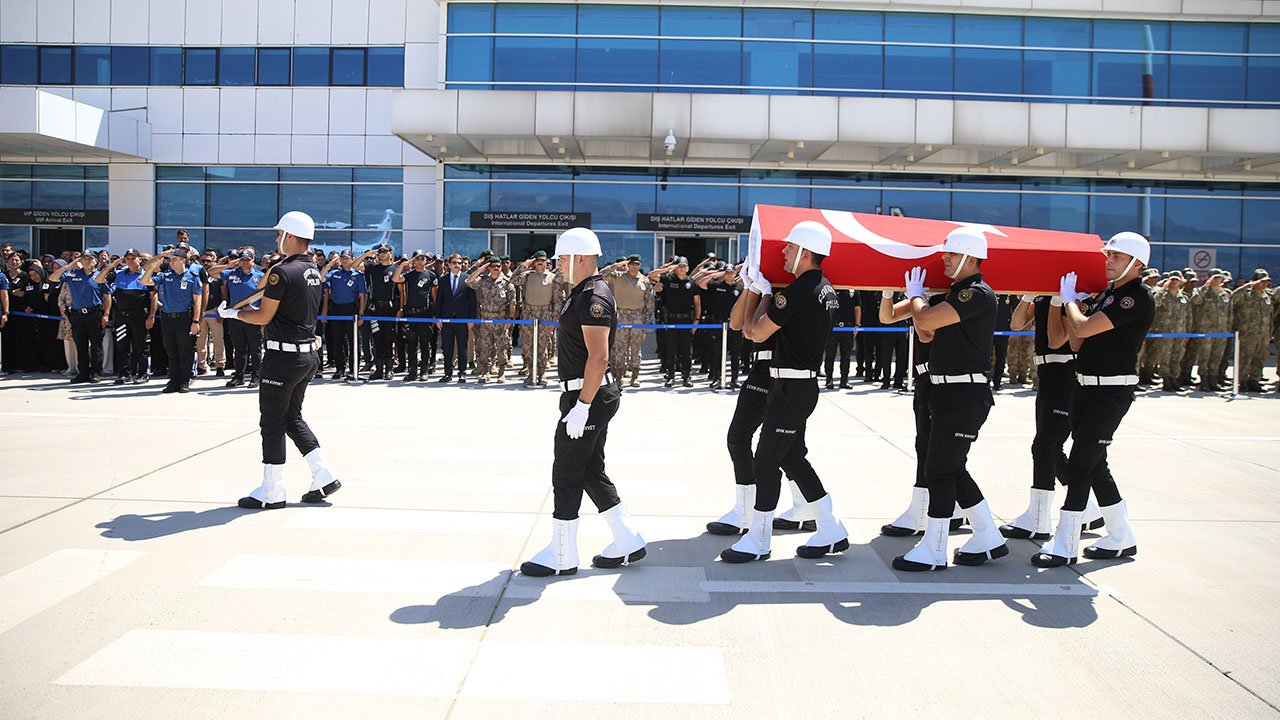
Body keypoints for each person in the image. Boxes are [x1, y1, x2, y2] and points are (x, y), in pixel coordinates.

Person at [721, 221, 850, 563]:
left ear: (805, 253)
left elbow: (755, 332)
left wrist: (763, 294)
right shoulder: (825, 289)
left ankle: (759, 538)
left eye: (790, 248)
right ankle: (831, 527)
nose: (784, 251)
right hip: (796, 385)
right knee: (792, 458)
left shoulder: (798, 291)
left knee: (766, 460)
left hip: (792, 387)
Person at [521, 228, 646, 577]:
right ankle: (627, 539)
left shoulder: (594, 296)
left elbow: (599, 357)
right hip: (585, 393)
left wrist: (582, 406)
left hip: (587, 394)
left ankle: (562, 554)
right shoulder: (582, 292)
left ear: (581, 259)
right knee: (590, 469)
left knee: (566, 471)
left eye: (563, 258)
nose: (558, 264)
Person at [892, 227, 1009, 572]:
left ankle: (934, 548)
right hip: (949, 393)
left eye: (952, 254)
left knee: (939, 471)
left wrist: (917, 296)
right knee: (952, 467)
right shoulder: (956, 295)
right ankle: (988, 535)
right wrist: (918, 299)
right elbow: (926, 330)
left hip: (963, 394)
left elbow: (926, 318)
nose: (944, 258)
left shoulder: (977, 293)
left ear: (971, 259)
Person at [1033, 231, 1153, 567]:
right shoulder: (1107, 297)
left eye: (1116, 256)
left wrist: (1070, 302)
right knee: (1096, 464)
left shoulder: (1135, 297)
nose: (1108, 261)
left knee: (1081, 462)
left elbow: (1083, 329)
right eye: (1108, 255)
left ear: (1137, 263)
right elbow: (1075, 341)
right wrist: (1072, 307)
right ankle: (1121, 536)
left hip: (1111, 391)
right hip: (1085, 387)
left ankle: (1066, 542)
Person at [219, 212, 343, 510]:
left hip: (283, 356)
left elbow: (263, 316)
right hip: (306, 355)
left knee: (272, 423)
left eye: (280, 234)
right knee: (291, 419)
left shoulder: (282, 272)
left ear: (290, 236)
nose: (277, 239)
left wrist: (234, 314)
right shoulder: (312, 270)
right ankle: (323, 475)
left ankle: (272, 490)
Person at [999, 293, 1102, 540]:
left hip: (1065, 371)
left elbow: (1058, 340)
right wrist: (1028, 296)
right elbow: (1016, 324)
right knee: (1050, 448)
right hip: (1048, 373)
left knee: (1045, 446)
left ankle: (1039, 519)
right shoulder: (1045, 295)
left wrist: (1060, 300)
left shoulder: (1074, 295)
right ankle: (1086, 508)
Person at [141, 246, 203, 393]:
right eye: (170, 260)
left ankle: (184, 381)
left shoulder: (192, 277)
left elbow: (197, 300)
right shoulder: (165, 276)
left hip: (184, 318)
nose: (171, 262)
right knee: (171, 351)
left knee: (184, 351)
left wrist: (196, 321)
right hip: (167, 318)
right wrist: (152, 267)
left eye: (174, 259)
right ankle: (173, 381)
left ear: (183, 260)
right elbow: (145, 281)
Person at [48, 253, 109, 384]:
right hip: (77, 314)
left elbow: (107, 295)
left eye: (90, 259)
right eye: (84, 258)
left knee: (96, 345)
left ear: (95, 261)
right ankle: (83, 373)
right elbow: (53, 278)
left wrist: (106, 314)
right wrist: (69, 266)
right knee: (81, 345)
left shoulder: (99, 275)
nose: (87, 261)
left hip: (94, 313)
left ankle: (95, 372)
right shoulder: (73, 274)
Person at [95, 249, 151, 385]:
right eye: (128, 258)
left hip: (139, 316)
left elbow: (153, 296)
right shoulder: (119, 274)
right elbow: (98, 279)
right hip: (121, 317)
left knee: (141, 346)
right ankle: (125, 374)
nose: (130, 261)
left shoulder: (145, 275)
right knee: (122, 347)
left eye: (133, 258)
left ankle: (142, 374)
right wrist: (112, 265)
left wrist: (151, 316)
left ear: (139, 259)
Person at [514, 250, 568, 387]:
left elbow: (558, 300)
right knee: (528, 346)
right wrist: (525, 265)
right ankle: (531, 373)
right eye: (537, 260)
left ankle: (542, 373)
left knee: (542, 346)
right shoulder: (527, 276)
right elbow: (513, 280)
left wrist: (554, 319)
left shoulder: (553, 277)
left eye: (543, 261)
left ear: (546, 263)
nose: (540, 263)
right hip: (529, 313)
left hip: (545, 313)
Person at [602, 255, 654, 388]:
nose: (634, 267)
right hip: (621, 315)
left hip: (637, 316)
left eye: (637, 264)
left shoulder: (644, 281)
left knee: (635, 347)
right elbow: (602, 273)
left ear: (640, 265)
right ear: (628, 265)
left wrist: (646, 322)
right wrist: (618, 264)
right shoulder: (618, 277)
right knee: (620, 347)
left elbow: (649, 303)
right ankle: (619, 376)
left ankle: (635, 376)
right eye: (631, 264)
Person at [466, 256, 517, 383]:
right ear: (489, 268)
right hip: (485, 319)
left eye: (498, 266)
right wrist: (481, 269)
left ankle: (501, 373)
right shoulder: (483, 281)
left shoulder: (507, 282)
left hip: (500, 320)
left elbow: (512, 302)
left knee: (501, 347)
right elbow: (469, 281)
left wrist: (510, 319)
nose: (496, 268)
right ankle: (485, 372)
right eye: (493, 266)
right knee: (484, 347)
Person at [651, 257, 700, 388]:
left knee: (686, 352)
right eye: (679, 266)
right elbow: (652, 275)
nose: (682, 268)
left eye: (684, 266)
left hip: (687, 321)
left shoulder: (692, 283)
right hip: (671, 320)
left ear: (688, 268)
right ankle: (670, 376)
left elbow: (697, 303)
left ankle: (686, 377)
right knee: (671, 351)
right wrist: (668, 267)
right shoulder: (669, 280)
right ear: (676, 268)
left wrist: (696, 320)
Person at [222, 248, 266, 388]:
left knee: (255, 348)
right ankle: (239, 376)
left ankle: (256, 377)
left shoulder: (260, 276)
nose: (245, 262)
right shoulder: (232, 273)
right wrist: (228, 265)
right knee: (239, 348)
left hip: (253, 316)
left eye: (248, 259)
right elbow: (211, 272)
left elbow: (266, 297)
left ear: (253, 260)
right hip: (235, 316)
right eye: (242, 259)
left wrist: (263, 317)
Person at [321, 250, 366, 382]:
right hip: (336, 309)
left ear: (352, 259)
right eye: (342, 258)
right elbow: (321, 278)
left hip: (351, 309)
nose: (344, 260)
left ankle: (353, 369)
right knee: (337, 341)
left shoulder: (357, 275)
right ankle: (340, 369)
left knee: (353, 342)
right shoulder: (334, 273)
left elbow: (362, 296)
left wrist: (361, 313)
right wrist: (330, 265)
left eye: (347, 258)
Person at [393, 250, 438, 381]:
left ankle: (424, 370)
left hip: (425, 314)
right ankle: (412, 371)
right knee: (411, 344)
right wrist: (402, 265)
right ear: (413, 260)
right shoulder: (408, 275)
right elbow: (395, 279)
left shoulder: (431, 275)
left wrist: (436, 314)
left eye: (422, 258)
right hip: (410, 314)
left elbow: (434, 296)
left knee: (425, 344)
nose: (420, 261)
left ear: (426, 260)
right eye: (417, 258)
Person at [358, 244, 400, 380]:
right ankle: (379, 370)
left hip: (390, 309)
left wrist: (400, 308)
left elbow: (402, 290)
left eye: (385, 251)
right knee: (377, 340)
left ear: (390, 253)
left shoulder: (395, 269)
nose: (382, 254)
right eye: (380, 251)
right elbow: (354, 265)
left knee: (389, 340)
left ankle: (389, 370)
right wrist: (367, 254)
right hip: (375, 309)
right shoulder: (372, 268)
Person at [436, 253, 476, 383]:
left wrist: (471, 319)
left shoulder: (467, 279)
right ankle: (448, 373)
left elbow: (472, 301)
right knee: (447, 347)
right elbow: (439, 300)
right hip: (446, 318)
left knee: (462, 347)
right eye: (454, 263)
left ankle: (462, 373)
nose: (457, 265)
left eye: (459, 263)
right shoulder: (443, 280)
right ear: (449, 264)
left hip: (462, 319)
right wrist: (438, 318)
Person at [1190, 269, 1233, 392]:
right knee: (1205, 356)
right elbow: (1195, 301)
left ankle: (1213, 381)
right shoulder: (1202, 291)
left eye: (1219, 278)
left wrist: (1228, 328)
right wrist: (1205, 286)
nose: (1217, 280)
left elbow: (1230, 313)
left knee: (1216, 357)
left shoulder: (1225, 293)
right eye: (1215, 278)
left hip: (1221, 331)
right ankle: (1204, 381)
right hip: (1206, 330)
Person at [1231, 269, 1273, 393]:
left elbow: (1270, 316)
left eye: (1266, 282)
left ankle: (1254, 381)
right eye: (1261, 281)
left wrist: (1270, 333)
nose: (1264, 284)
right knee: (1245, 359)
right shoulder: (1246, 295)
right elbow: (1233, 296)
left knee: (1259, 359)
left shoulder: (1267, 296)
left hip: (1263, 334)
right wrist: (1248, 285)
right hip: (1248, 334)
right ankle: (1243, 382)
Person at [822, 288, 859, 390]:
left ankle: (844, 380)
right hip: (832, 328)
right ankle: (829, 379)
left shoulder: (852, 291)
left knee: (846, 356)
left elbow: (857, 308)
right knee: (830, 355)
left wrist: (857, 325)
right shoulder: (829, 289)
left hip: (848, 327)